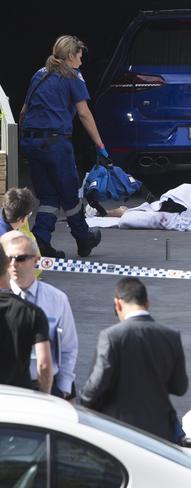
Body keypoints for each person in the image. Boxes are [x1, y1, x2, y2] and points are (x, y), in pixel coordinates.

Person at [19, 35, 103, 259]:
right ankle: (84, 239)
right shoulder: (72, 76)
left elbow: (24, 111)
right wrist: (100, 145)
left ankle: (41, 241)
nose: (81, 62)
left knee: (47, 197)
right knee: (69, 195)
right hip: (55, 144)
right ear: (70, 56)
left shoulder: (39, 74)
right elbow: (84, 113)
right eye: (80, 57)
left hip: (32, 141)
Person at [80, 277, 188, 442]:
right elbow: (180, 387)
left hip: (120, 432)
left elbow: (95, 388)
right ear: (147, 303)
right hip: (160, 432)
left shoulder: (111, 337)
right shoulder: (171, 336)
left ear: (118, 304)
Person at [1, 231, 78, 401]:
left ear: (35, 261)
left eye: (20, 258)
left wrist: (65, 387)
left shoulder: (57, 299)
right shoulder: (3, 300)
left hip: (48, 384)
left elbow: (68, 346)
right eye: (9, 258)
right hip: (9, 387)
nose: (14, 264)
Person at [0, 244, 52, 393]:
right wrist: (45, 396)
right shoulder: (32, 312)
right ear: (7, 265)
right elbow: (44, 364)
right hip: (19, 397)